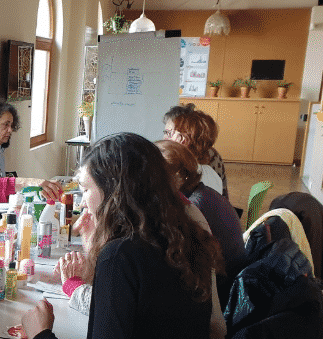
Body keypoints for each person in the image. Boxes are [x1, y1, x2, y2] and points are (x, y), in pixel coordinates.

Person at [22, 132, 224, 339]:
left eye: (85, 189)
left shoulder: (121, 255)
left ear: (113, 191)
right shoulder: (186, 234)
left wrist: (41, 333)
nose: (82, 203)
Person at [155, 139, 246, 308]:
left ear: (179, 177)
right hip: (231, 281)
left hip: (226, 292)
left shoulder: (195, 207)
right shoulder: (203, 193)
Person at [163, 104, 229, 199]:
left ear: (183, 139)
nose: (164, 138)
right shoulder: (210, 172)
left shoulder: (178, 178)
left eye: (167, 133)